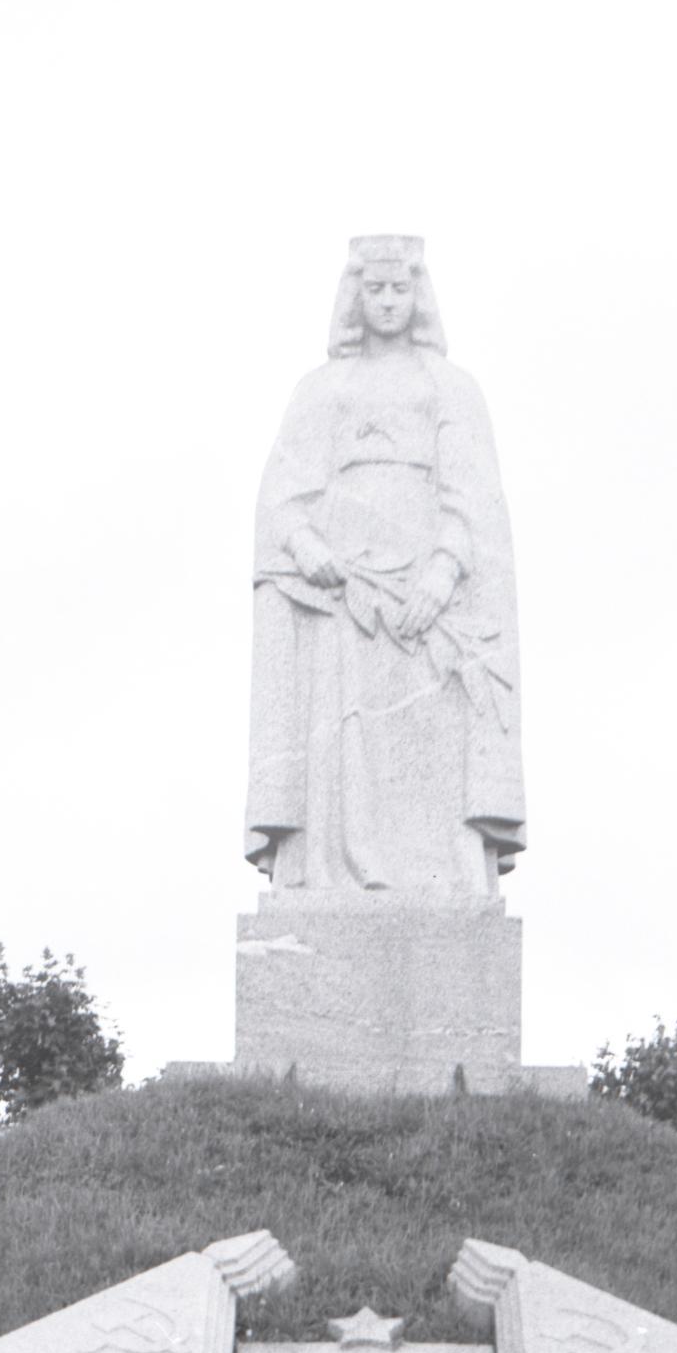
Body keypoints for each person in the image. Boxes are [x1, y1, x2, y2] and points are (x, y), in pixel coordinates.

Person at [244, 237, 526, 895]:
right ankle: (337, 869)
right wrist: (305, 545)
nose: (389, 302)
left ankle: (442, 876)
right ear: (356, 296)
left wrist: (443, 570)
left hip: (425, 593)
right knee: (347, 736)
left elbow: (474, 495)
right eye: (376, 289)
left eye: (401, 288)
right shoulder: (321, 389)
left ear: (419, 295)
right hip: (344, 592)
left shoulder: (451, 388)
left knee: (428, 734)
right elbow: (281, 493)